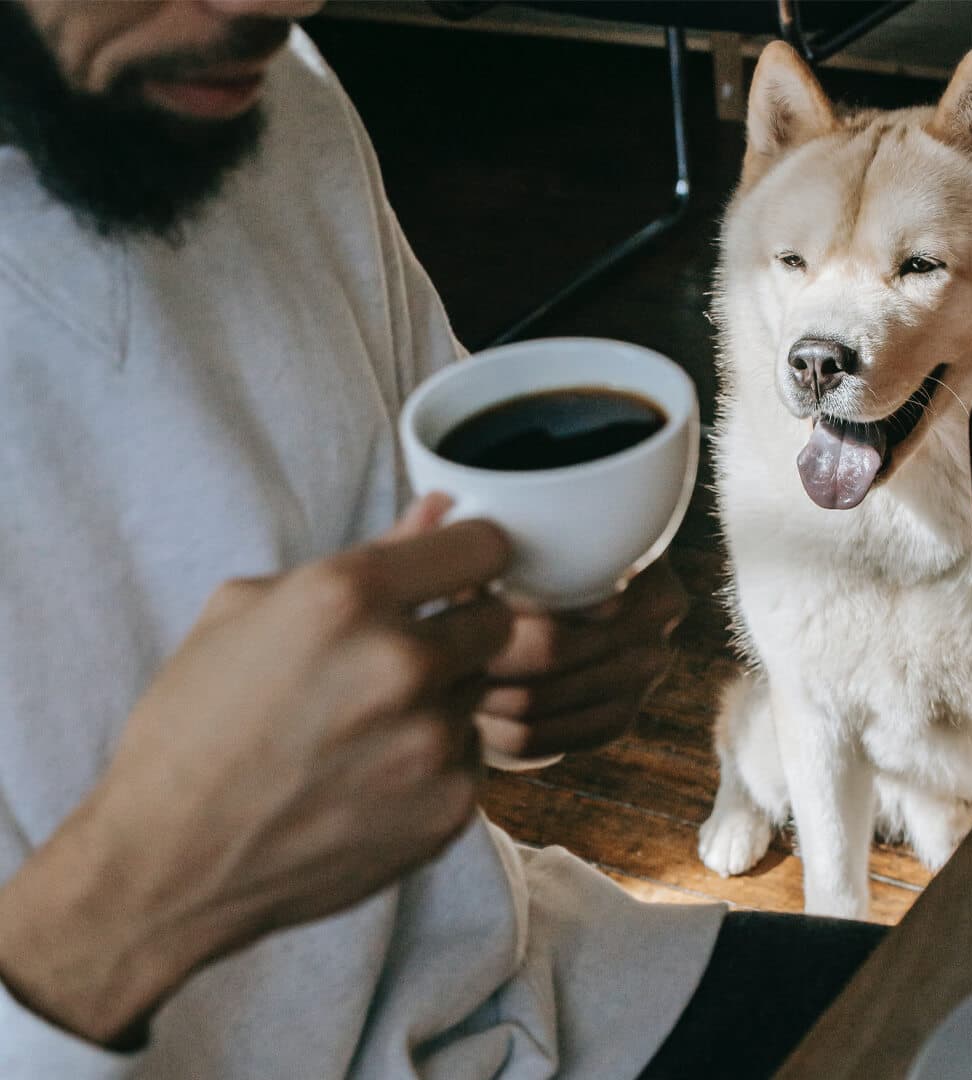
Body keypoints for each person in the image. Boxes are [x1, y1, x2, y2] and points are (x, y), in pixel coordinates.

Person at [0, 2, 886, 1076]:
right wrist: (121, 911)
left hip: (531, 996)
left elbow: (468, 566)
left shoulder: (273, 96)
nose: (286, 4)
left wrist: (522, 684)